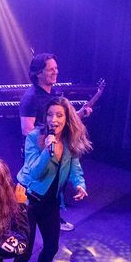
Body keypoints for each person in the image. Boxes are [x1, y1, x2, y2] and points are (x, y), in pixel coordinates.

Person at [3, 97, 91, 262]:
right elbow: (35, 172)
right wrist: (48, 150)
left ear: (67, 118)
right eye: (50, 114)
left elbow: (74, 167)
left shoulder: (70, 139)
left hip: (51, 202)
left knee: (51, 247)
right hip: (28, 201)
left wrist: (79, 184)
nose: (54, 119)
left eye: (59, 115)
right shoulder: (35, 137)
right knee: (23, 253)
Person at [19, 53, 93, 233]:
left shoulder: (52, 93)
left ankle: (53, 218)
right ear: (39, 73)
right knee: (37, 187)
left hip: (55, 147)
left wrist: (79, 114)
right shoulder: (30, 98)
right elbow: (27, 130)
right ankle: (28, 220)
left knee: (55, 185)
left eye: (56, 68)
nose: (56, 72)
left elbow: (62, 119)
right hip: (40, 150)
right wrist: (48, 144)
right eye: (51, 69)